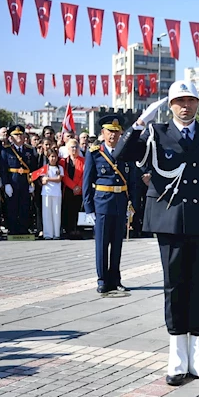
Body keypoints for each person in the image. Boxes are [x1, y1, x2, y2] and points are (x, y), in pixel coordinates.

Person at [113, 80, 199, 385]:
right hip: (169, 221)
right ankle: (177, 357)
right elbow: (121, 153)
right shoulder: (156, 133)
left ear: (198, 104)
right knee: (175, 286)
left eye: (190, 100)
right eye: (179, 101)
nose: (185, 106)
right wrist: (140, 123)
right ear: (170, 106)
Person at [83, 116, 134, 294]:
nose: (113, 135)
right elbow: (87, 180)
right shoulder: (95, 152)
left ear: (120, 133)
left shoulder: (125, 152)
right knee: (102, 243)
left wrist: (132, 204)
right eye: (109, 131)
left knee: (117, 243)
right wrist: (89, 208)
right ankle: (102, 279)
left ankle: (116, 279)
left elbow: (132, 180)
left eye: (116, 131)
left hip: (120, 202)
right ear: (103, 133)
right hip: (102, 202)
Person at [0, 125, 37, 235]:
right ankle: (13, 229)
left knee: (25, 206)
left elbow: (34, 168)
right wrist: (6, 184)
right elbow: (3, 169)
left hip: (25, 181)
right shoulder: (6, 150)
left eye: (20, 134)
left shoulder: (29, 150)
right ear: (11, 137)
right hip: (12, 181)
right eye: (16, 135)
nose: (19, 137)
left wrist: (32, 182)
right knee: (12, 206)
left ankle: (23, 229)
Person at [61, 139, 84, 239]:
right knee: (67, 209)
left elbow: (85, 175)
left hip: (79, 190)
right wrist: (73, 186)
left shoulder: (83, 160)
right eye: (72, 147)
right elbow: (64, 175)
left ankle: (75, 229)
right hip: (68, 189)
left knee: (76, 209)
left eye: (76, 147)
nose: (74, 149)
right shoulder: (63, 161)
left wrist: (78, 186)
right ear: (68, 149)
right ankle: (68, 229)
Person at [38, 148, 64, 240]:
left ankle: (56, 233)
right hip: (46, 192)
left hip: (56, 193)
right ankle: (48, 233)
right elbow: (40, 178)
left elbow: (59, 179)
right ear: (48, 157)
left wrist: (48, 179)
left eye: (55, 157)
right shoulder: (45, 168)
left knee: (56, 213)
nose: (53, 159)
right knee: (47, 213)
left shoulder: (60, 168)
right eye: (51, 157)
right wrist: (42, 181)